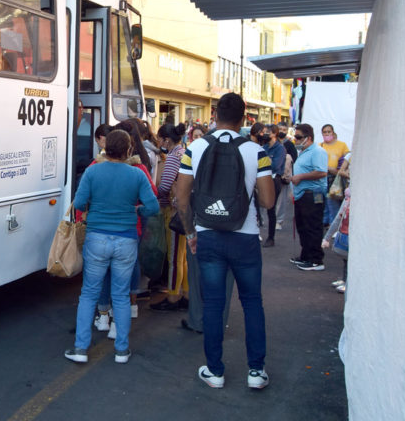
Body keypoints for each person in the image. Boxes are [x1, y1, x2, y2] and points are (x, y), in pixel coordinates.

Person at [174, 92, 275, 390]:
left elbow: (181, 197)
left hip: (208, 237)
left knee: (214, 304)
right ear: (244, 117)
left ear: (215, 114)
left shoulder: (194, 147)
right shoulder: (257, 151)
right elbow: (268, 201)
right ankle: (256, 372)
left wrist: (191, 233)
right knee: (252, 303)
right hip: (244, 238)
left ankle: (215, 370)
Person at [64, 130, 159, 364]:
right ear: (129, 150)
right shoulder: (136, 174)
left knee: (88, 293)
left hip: (97, 237)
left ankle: (80, 349)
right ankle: (121, 350)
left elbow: (81, 201)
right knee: (121, 294)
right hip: (126, 239)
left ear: (105, 149)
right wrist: (138, 210)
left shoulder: (93, 170)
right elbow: (153, 207)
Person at [149, 123, 189, 312]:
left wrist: (155, 196)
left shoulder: (174, 156)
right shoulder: (184, 152)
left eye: (160, 139)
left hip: (174, 212)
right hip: (186, 211)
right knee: (182, 256)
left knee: (174, 257)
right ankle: (186, 293)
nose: (159, 142)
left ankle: (173, 296)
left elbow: (165, 186)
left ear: (166, 139)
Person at [289, 124, 329, 271]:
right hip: (303, 194)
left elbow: (321, 172)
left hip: (313, 194)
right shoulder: (305, 151)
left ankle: (316, 259)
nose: (296, 140)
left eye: (299, 137)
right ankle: (306, 255)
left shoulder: (318, 152)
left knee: (312, 226)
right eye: (295, 137)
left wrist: (300, 177)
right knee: (303, 226)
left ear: (308, 138)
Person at [319, 124, 350, 225]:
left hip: (335, 178)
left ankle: (334, 226)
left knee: (332, 202)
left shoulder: (342, 145)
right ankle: (326, 223)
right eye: (325, 132)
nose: (327, 134)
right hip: (322, 177)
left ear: (333, 132)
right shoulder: (320, 146)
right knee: (324, 203)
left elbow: (348, 158)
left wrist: (340, 170)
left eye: (329, 131)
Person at [261, 125, 285, 247]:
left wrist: (265, 161)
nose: (265, 134)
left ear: (274, 134)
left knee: (271, 208)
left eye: (268, 132)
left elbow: (276, 165)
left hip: (274, 180)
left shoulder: (280, 148)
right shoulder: (264, 147)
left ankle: (271, 237)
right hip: (263, 178)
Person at [275, 122, 298, 229]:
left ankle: (278, 221)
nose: (282, 132)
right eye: (280, 129)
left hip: (283, 177)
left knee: (281, 200)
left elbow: (294, 159)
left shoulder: (289, 145)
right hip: (272, 175)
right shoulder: (271, 142)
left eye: (284, 130)